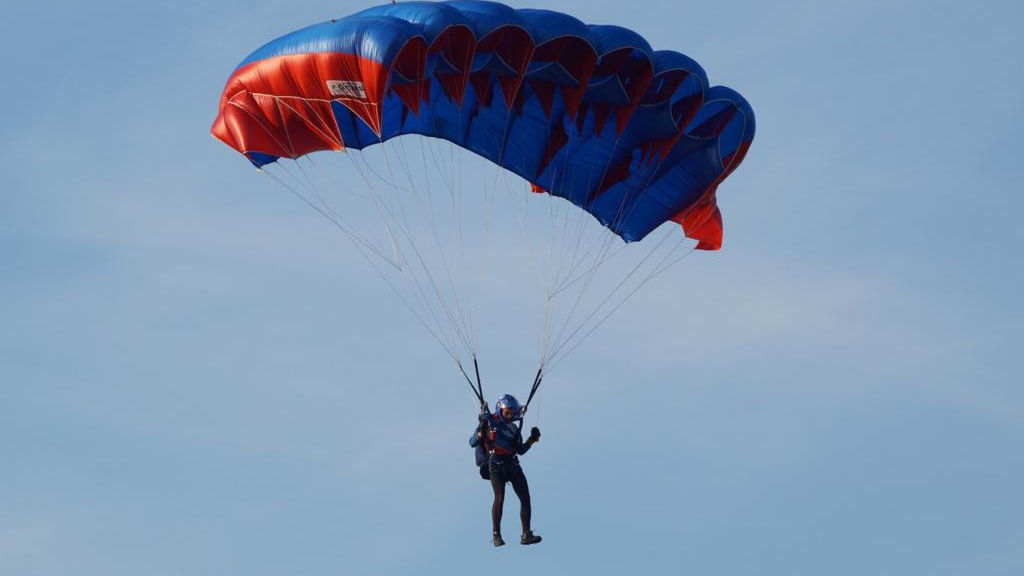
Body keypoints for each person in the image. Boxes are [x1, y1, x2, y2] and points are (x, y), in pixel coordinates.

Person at [470, 394, 542, 547]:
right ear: (500, 410)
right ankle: (496, 535)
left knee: (525, 498)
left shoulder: (513, 428)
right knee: (500, 497)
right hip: (495, 465)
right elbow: (472, 442)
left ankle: (526, 534)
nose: (509, 416)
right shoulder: (488, 422)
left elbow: (520, 450)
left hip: (513, 465)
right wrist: (480, 433)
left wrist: (532, 439)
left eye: (511, 413)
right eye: (506, 412)